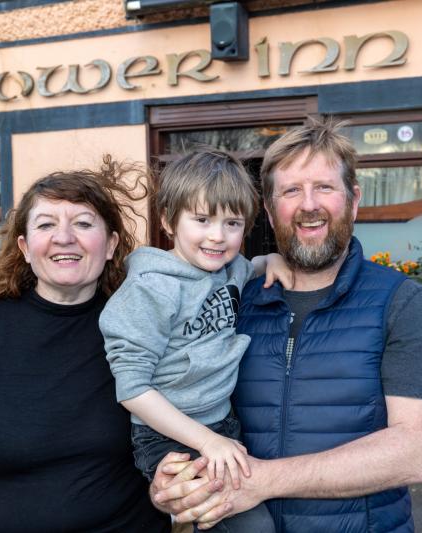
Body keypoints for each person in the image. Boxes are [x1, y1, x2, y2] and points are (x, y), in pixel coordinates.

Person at [150, 119, 422, 532]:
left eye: (324, 187)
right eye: (291, 191)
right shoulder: (234, 300)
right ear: (268, 209)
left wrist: (263, 481)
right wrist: (169, 477)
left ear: (353, 200)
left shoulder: (400, 302)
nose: (308, 204)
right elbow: (183, 397)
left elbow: (415, 454)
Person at [0, 157, 170, 532]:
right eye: (46, 224)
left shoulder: (148, 331)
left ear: (110, 245)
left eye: (83, 223)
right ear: (25, 247)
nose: (64, 237)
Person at [100, 149, 285, 533]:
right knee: (250, 526)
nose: (217, 236)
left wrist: (272, 261)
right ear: (168, 220)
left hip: (222, 423)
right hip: (167, 436)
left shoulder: (230, 269)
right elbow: (132, 389)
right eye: (201, 220)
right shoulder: (150, 289)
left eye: (232, 223)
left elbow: (251, 267)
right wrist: (207, 442)